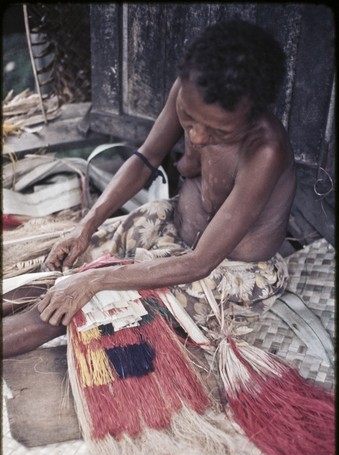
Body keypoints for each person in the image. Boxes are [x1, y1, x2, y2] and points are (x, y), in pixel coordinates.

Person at [3, 19, 296, 358]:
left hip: (224, 273)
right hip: (171, 227)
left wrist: (97, 281)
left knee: (80, 305)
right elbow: (145, 158)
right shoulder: (190, 90)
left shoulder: (264, 150)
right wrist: (87, 224)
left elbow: (200, 263)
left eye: (219, 132)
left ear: (250, 116)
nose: (197, 138)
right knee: (60, 269)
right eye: (188, 118)